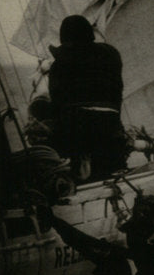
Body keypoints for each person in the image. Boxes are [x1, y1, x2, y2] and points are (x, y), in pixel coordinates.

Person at [47, 14, 128, 182]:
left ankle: (78, 168)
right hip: (111, 124)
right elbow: (117, 91)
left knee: (53, 136)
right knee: (111, 162)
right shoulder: (111, 55)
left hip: (78, 128)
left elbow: (57, 103)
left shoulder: (59, 65)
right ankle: (111, 164)